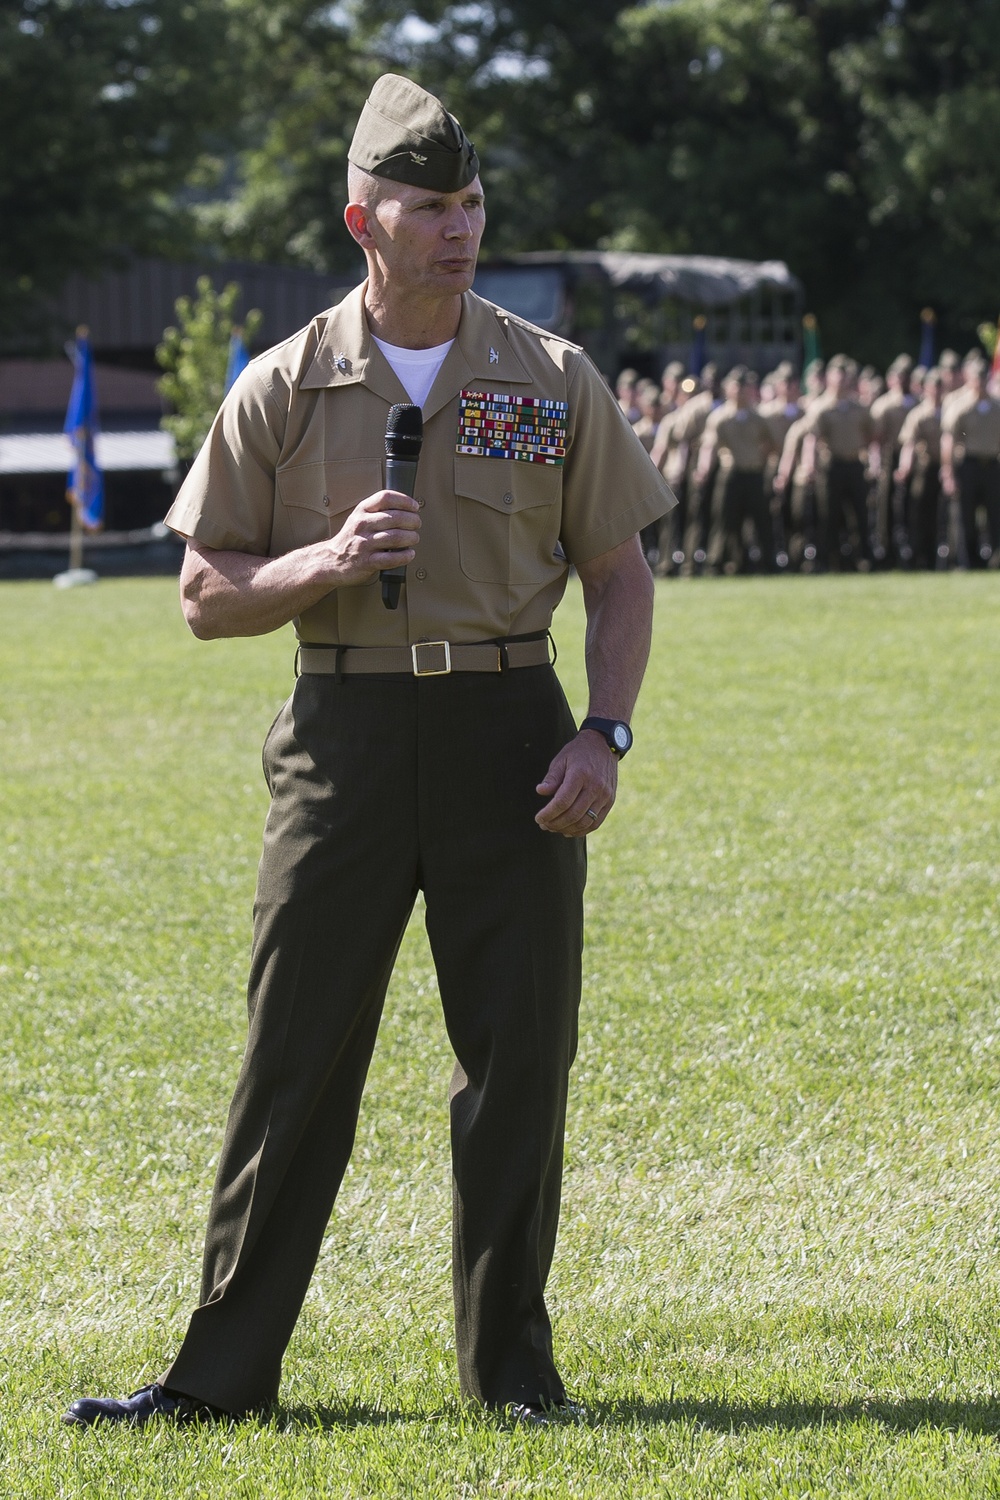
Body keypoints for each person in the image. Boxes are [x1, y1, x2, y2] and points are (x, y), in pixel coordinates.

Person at [64, 73, 674, 1429]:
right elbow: (203, 595)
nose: (457, 231)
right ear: (364, 219)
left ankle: (512, 1377)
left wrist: (604, 732)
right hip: (340, 735)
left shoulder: (548, 374)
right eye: (426, 208)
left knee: (518, 1061)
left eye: (469, 205)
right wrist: (322, 561)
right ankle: (220, 1383)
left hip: (511, 734)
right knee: (293, 1061)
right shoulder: (283, 385)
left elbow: (620, 575)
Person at [696, 366, 777, 574]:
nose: (740, 391)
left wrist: (760, 459)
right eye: (736, 386)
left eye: (744, 386)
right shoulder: (720, 417)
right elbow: (710, 446)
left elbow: (770, 443)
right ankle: (717, 562)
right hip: (731, 474)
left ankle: (767, 562)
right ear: (728, 389)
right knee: (724, 520)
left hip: (754, 473)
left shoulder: (757, 417)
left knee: (761, 520)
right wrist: (703, 469)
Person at [801, 355, 875, 571]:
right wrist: (810, 466)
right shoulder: (821, 407)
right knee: (829, 515)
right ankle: (828, 559)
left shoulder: (859, 407)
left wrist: (871, 461)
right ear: (830, 378)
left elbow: (871, 435)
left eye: (846, 376)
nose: (842, 380)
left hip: (854, 465)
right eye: (838, 375)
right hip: (831, 466)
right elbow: (812, 439)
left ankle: (862, 558)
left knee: (860, 514)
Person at [940, 352, 1000, 568]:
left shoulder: (997, 405)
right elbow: (949, 440)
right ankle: (967, 561)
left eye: (984, 377)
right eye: (977, 377)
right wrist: (948, 473)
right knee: (965, 516)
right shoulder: (959, 404)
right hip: (969, 464)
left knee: (996, 515)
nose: (981, 382)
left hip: (993, 465)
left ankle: (996, 559)